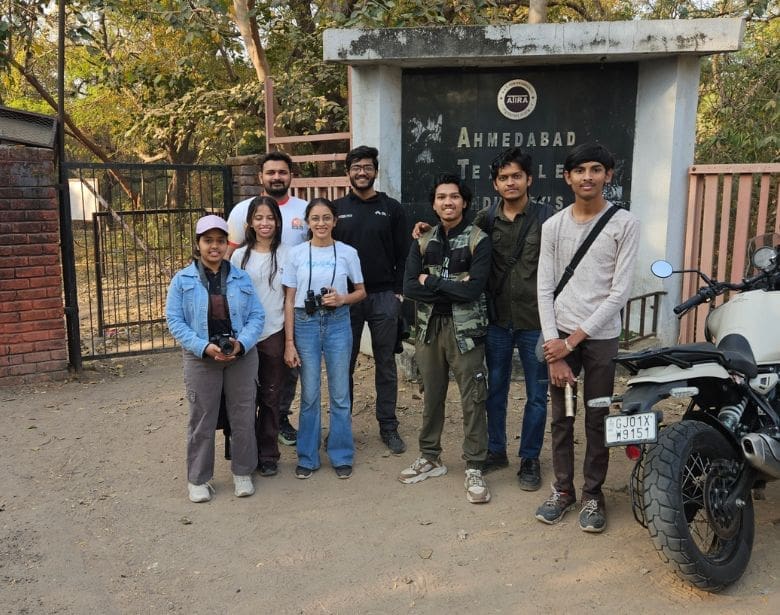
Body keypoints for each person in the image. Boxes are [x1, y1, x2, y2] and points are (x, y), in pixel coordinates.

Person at [534, 143, 639, 532]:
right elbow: (544, 288)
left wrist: (572, 341)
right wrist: (555, 350)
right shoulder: (553, 226)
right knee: (562, 417)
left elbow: (619, 293)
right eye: (580, 170)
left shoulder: (624, 224)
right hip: (559, 341)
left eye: (597, 169)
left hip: (599, 341)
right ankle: (563, 490)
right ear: (568, 177)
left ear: (608, 175)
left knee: (596, 417)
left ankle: (594, 495)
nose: (588, 177)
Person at [399, 173, 492, 504]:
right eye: (441, 197)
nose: (448, 202)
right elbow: (409, 287)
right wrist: (448, 284)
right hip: (428, 330)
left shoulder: (478, 239)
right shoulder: (423, 240)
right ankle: (430, 456)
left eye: (454, 196)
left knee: (473, 397)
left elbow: (473, 290)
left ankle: (475, 465)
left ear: (464, 202)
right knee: (431, 395)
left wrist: (431, 281)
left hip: (465, 333)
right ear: (434, 203)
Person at [166, 214, 265, 503]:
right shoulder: (182, 280)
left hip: (241, 356)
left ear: (226, 245)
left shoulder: (240, 276)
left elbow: (257, 316)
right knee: (203, 417)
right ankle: (198, 479)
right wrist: (202, 347)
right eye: (208, 240)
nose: (215, 246)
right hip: (200, 358)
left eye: (220, 241)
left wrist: (242, 343)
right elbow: (174, 320)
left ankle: (243, 472)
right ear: (197, 244)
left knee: (243, 415)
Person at [477, 148, 553, 490]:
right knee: (496, 389)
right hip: (497, 321)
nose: (510, 182)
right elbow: (456, 239)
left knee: (537, 394)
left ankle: (530, 457)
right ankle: (496, 450)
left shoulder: (548, 219)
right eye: (504, 177)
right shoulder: (485, 219)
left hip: (536, 322)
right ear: (496, 183)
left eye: (516, 176)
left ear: (529, 179)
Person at [282, 198, 366, 480]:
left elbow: (361, 292)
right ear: (307, 222)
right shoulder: (295, 254)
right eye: (315, 218)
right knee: (310, 394)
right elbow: (290, 299)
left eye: (326, 217)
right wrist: (289, 342)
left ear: (335, 221)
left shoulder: (347, 253)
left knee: (340, 394)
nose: (321, 223)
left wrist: (342, 298)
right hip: (305, 323)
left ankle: (342, 454)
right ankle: (307, 456)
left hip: (338, 323)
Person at [226, 150, 307, 446]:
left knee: (284, 379)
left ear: (291, 176)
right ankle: (245, 443)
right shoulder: (240, 213)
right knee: (246, 389)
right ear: (260, 176)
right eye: (270, 172)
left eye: (282, 172)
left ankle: (279, 424)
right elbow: (229, 258)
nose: (276, 177)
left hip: (286, 314)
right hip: (246, 327)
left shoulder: (303, 210)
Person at [332, 145, 409, 455]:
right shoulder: (336, 208)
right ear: (348, 172)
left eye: (366, 167)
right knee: (343, 365)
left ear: (375, 171)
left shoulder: (392, 208)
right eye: (355, 167)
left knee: (386, 364)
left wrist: (399, 293)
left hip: (383, 297)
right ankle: (341, 428)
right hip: (346, 298)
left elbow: (405, 253)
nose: (361, 172)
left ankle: (388, 426)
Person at [230, 197, 288, 477]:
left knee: (270, 396)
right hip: (243, 336)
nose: (265, 223)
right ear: (250, 222)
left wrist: (290, 341)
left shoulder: (288, 254)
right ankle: (244, 453)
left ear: (278, 221)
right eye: (259, 218)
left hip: (274, 333)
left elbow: (290, 299)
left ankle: (268, 453)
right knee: (243, 398)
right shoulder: (239, 256)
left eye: (270, 218)